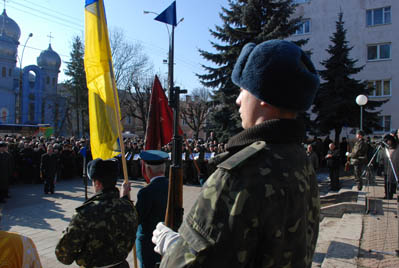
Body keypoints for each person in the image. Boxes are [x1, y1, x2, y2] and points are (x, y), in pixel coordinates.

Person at [152, 40, 320, 267]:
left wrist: (172, 247)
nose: (238, 100)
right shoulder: (299, 159)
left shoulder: (238, 176)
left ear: (263, 96)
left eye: (243, 89)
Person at [55, 158, 138, 268]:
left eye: (93, 182)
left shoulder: (86, 213)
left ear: (98, 183)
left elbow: (63, 255)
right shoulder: (129, 207)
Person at [135, 150, 169, 268]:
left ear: (148, 170)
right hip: (167, 241)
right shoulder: (172, 186)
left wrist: (125, 199)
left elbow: (136, 219)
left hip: (149, 245)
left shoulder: (146, 192)